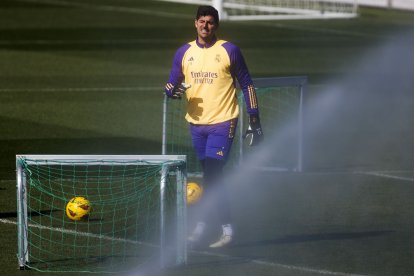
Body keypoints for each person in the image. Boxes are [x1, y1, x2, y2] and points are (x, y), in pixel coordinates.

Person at [164, 5, 263, 248]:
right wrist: (172, 91)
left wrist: (254, 121)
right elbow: (170, 86)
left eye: (210, 22)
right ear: (194, 23)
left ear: (216, 25)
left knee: (213, 175)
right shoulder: (184, 52)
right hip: (196, 126)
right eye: (201, 21)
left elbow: (248, 86)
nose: (205, 26)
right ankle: (206, 225)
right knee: (210, 175)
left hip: (224, 121)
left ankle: (224, 230)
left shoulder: (229, 50)